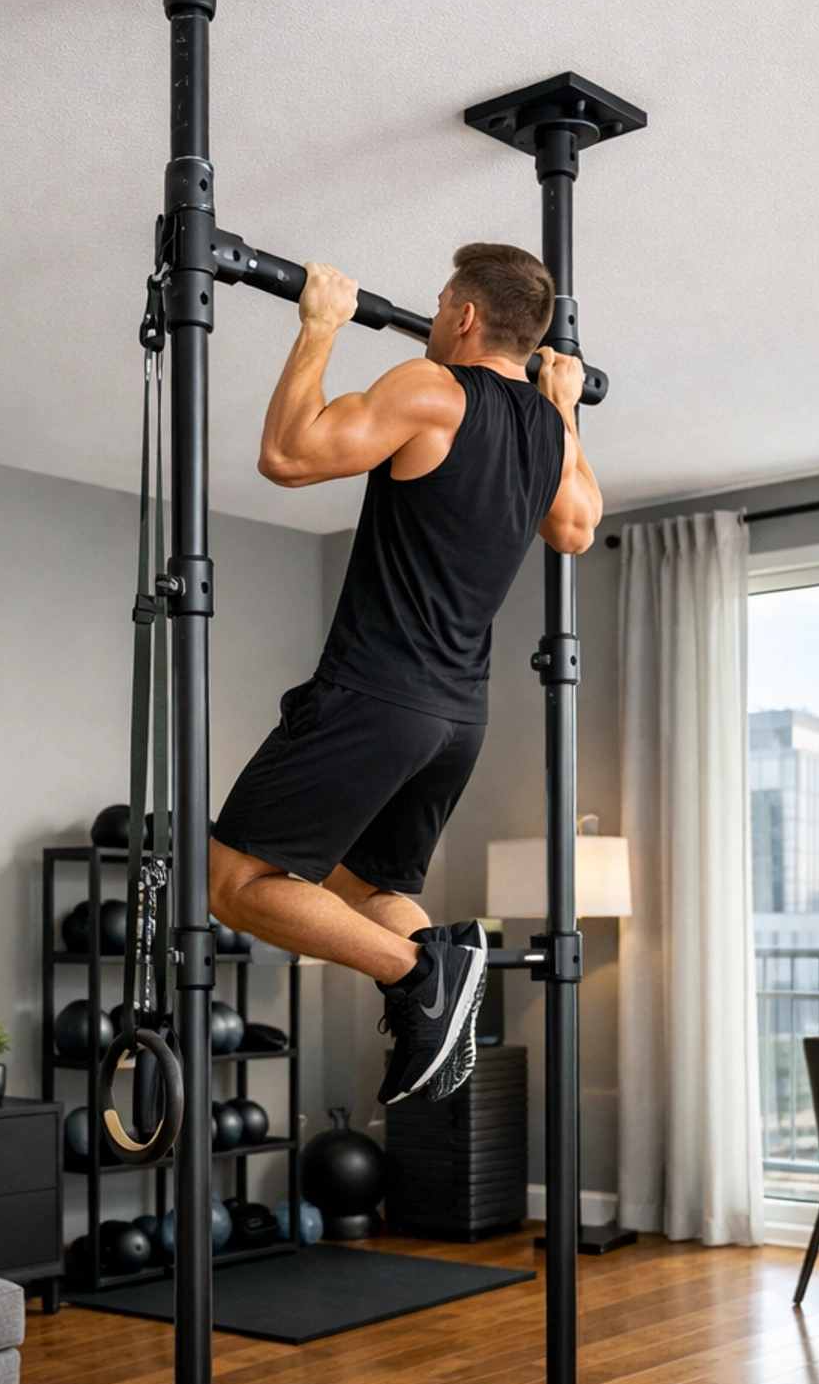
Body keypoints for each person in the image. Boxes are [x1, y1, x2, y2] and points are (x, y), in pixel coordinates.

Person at [210, 241, 602, 1106]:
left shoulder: (433, 389)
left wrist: (320, 326)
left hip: (376, 696)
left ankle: (423, 975)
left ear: (464, 315)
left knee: (234, 885)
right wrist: (563, 409)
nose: (432, 320)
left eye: (440, 303)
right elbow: (575, 528)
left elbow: (289, 455)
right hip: (458, 720)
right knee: (367, 886)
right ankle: (435, 981)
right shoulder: (548, 430)